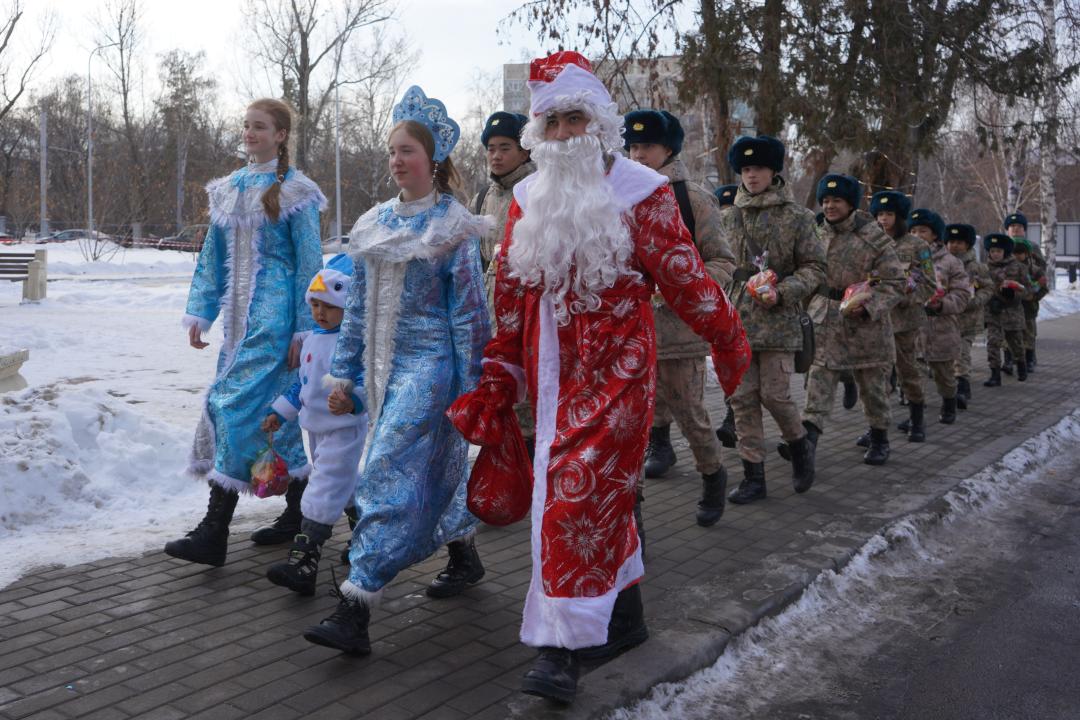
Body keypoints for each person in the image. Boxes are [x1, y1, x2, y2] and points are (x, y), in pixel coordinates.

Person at [448, 52, 749, 704]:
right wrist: (499, 371)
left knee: (573, 497)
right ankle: (628, 619)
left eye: (575, 118)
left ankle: (561, 649)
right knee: (604, 500)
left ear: (602, 124)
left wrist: (729, 340)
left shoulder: (644, 193)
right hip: (550, 380)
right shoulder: (528, 199)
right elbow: (511, 292)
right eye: (551, 122)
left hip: (620, 376)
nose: (562, 135)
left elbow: (689, 281)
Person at [302, 86, 491, 655]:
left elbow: (469, 313)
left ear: (432, 159)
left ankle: (355, 605)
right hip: (381, 372)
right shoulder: (373, 222)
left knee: (386, 470)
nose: (395, 160)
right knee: (428, 470)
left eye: (406, 150)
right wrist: (345, 378)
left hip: (430, 370)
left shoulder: (451, 226)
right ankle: (463, 554)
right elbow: (356, 311)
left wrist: (474, 387)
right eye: (390, 150)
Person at [165, 98, 324, 567]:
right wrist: (201, 312)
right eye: (246, 126)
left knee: (228, 405)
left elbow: (310, 266)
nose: (250, 133)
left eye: (260, 127)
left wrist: (305, 329)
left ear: (280, 135)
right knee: (277, 415)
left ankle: (214, 531)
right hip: (237, 326)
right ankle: (299, 514)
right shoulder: (228, 189)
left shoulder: (298, 191)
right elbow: (212, 259)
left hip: (274, 321)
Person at [627, 109, 736, 527]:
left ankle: (713, 473)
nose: (638, 155)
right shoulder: (618, 195)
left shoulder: (692, 197)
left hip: (678, 331)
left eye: (647, 146)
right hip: (627, 332)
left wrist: (687, 288)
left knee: (690, 412)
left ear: (668, 149)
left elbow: (722, 260)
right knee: (631, 422)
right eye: (632, 146)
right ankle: (631, 516)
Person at [718, 135, 826, 505]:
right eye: (746, 169)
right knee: (742, 399)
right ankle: (753, 476)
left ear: (774, 171)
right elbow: (717, 262)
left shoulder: (797, 217)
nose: (751, 176)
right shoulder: (727, 216)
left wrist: (785, 290)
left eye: (759, 168)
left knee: (776, 395)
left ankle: (799, 448)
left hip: (779, 320)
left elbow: (815, 267)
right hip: (738, 321)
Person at [260, 254, 367, 595]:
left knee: (323, 487)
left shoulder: (353, 341)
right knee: (343, 485)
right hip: (316, 429)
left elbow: (369, 377)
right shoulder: (312, 339)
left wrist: (353, 400)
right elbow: (302, 386)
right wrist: (281, 411)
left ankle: (304, 561)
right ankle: (365, 538)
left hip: (344, 428)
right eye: (315, 305)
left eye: (329, 306)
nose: (320, 313)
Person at [802, 174, 904, 466]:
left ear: (850, 204)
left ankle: (879, 436)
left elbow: (895, 282)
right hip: (824, 319)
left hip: (865, 326)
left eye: (836, 200)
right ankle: (807, 441)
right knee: (817, 381)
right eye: (825, 200)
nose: (830, 206)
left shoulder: (873, 236)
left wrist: (869, 306)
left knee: (872, 387)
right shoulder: (814, 232)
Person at [471, 111, 538, 458]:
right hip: (490, 305)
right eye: (491, 148)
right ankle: (508, 461)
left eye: (505, 148)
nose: (495, 155)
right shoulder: (484, 196)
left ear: (525, 151)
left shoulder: (538, 191)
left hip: (528, 306)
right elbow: (474, 256)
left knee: (527, 389)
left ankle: (528, 460)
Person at [865, 192, 934, 444]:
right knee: (875, 377)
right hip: (874, 319)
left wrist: (902, 297)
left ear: (900, 217)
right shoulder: (869, 242)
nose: (883, 219)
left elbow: (929, 284)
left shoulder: (917, 246)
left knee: (908, 372)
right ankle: (876, 426)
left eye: (889, 214)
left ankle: (917, 420)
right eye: (880, 214)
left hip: (905, 321)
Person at [908, 209, 971, 428]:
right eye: (913, 230)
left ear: (935, 234)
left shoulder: (950, 262)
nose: (917, 235)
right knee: (911, 376)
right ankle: (915, 415)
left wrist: (942, 304)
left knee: (944, 376)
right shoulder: (902, 258)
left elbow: (963, 294)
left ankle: (949, 402)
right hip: (912, 328)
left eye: (923, 231)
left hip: (940, 328)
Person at [945, 223, 992, 406]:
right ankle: (950, 385)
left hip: (967, 320)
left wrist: (975, 301)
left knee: (961, 352)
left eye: (959, 242)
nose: (954, 246)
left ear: (968, 244)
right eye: (950, 241)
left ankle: (963, 386)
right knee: (948, 355)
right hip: (946, 318)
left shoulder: (976, 268)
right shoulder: (941, 264)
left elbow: (988, 288)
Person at [982, 233, 1031, 386]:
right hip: (993, 312)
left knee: (1015, 343)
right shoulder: (984, 268)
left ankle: (1021, 365)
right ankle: (995, 374)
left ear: (1005, 252)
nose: (995, 254)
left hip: (1012, 313)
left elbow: (1028, 290)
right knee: (993, 343)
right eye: (992, 251)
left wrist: (1013, 294)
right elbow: (978, 287)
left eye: (998, 251)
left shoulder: (1018, 267)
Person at [1004, 212, 1048, 372]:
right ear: (1007, 229)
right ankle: (1008, 359)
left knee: (1028, 328)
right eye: (1012, 227)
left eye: (1019, 227)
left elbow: (1041, 268)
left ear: (1025, 230)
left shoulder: (1033, 247)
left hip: (1028, 294)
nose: (1016, 229)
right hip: (1008, 296)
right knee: (1007, 328)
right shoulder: (1003, 245)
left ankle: (1030, 357)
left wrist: (1034, 288)